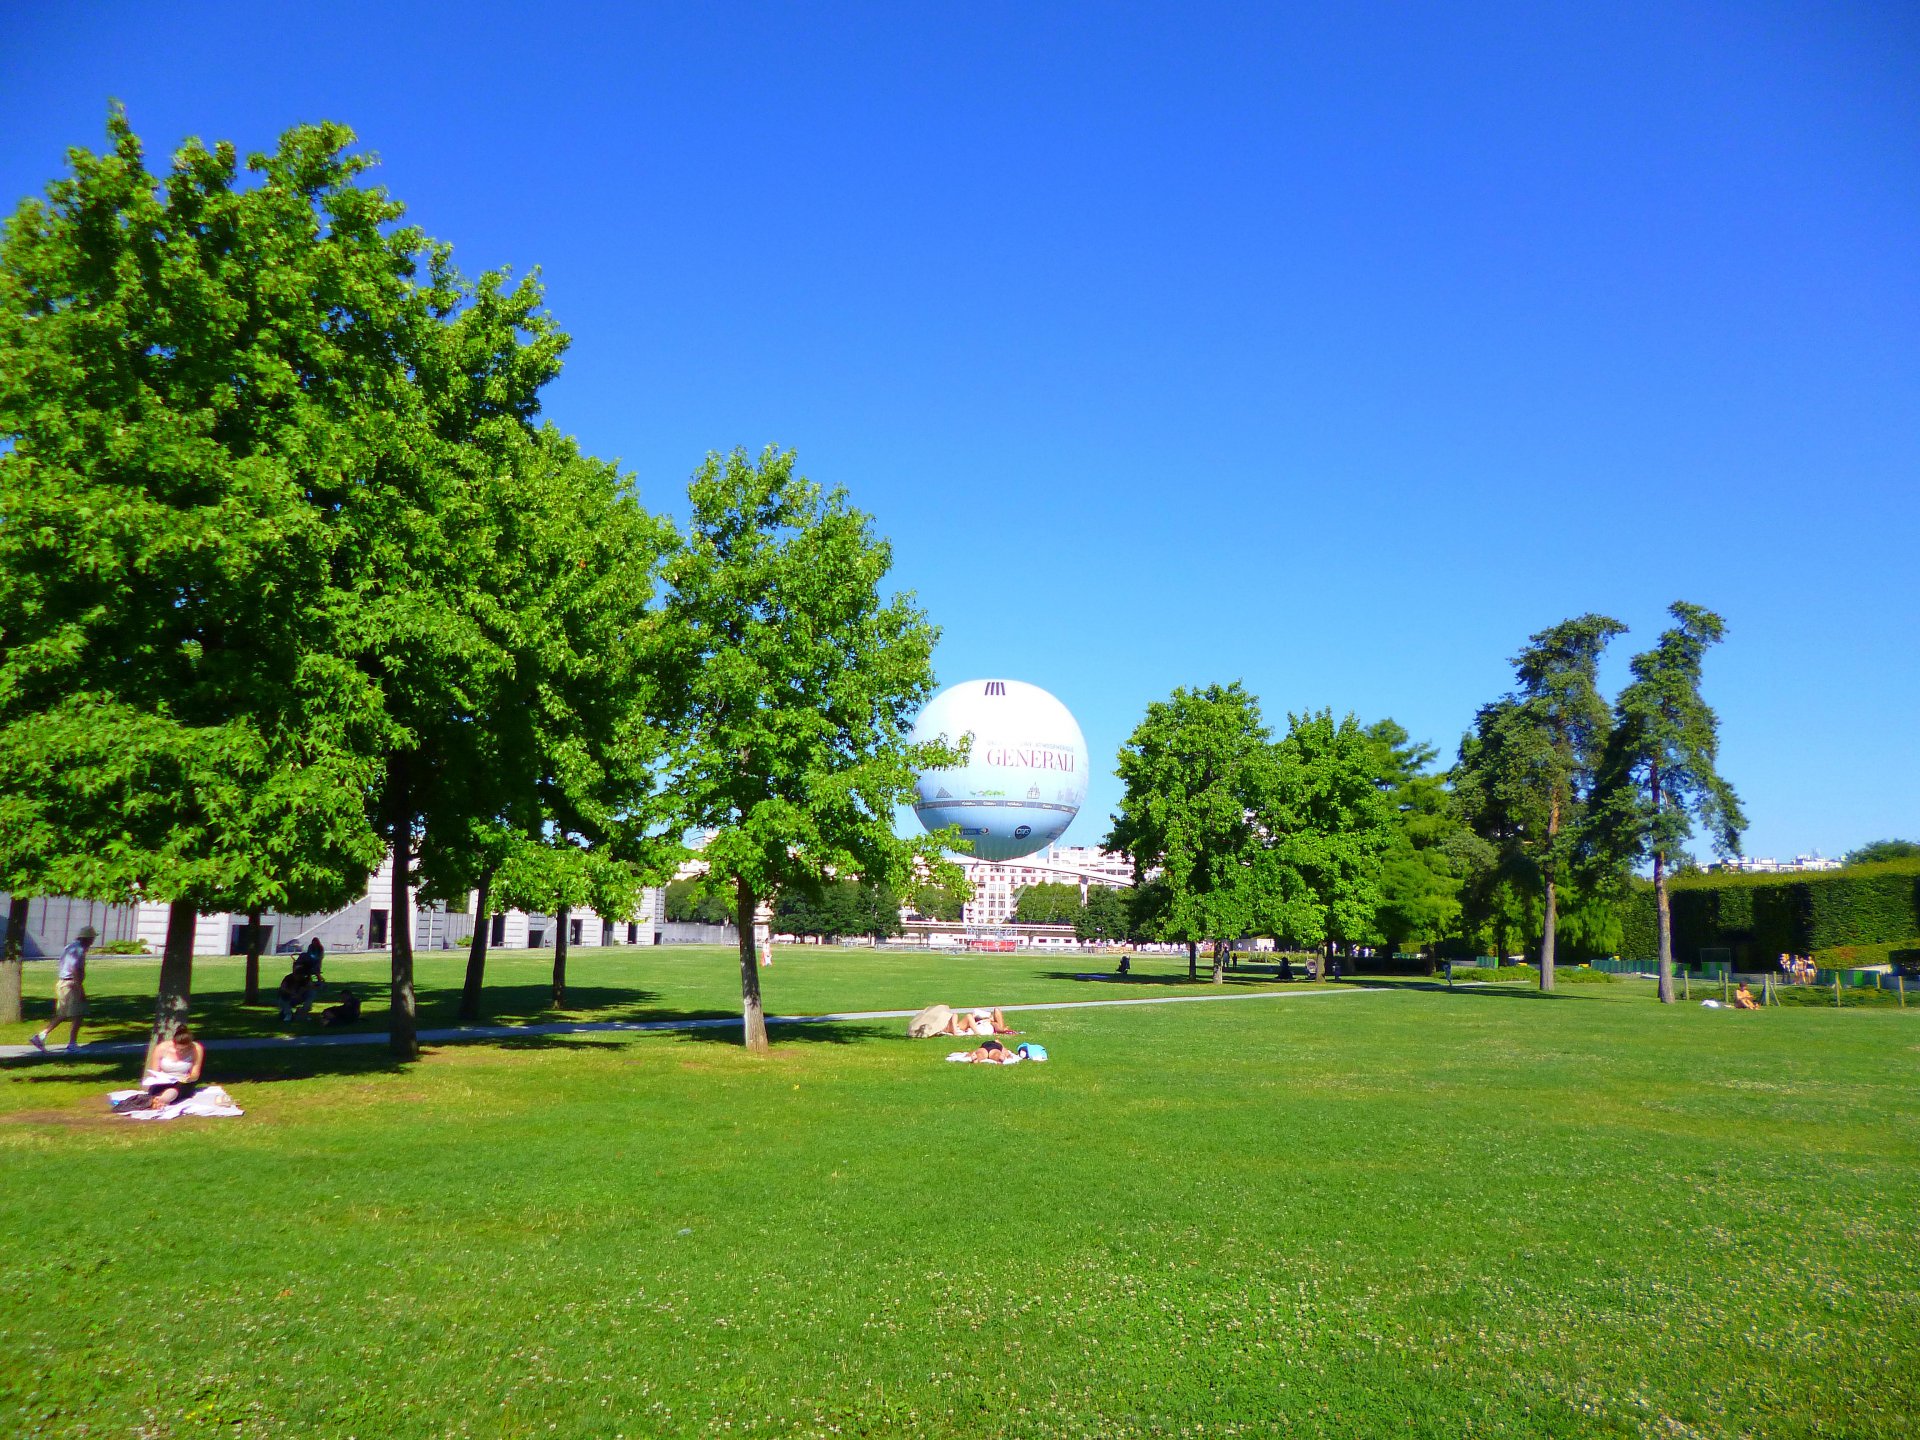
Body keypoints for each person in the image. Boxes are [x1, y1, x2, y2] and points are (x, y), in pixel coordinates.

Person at [30, 925, 95, 1054]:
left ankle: (41, 1035)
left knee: (63, 1013)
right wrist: (80, 988)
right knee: (78, 1014)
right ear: (88, 939)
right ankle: (72, 1044)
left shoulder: (70, 947)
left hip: (63, 983)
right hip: (71, 984)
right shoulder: (78, 950)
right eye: (92, 938)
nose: (93, 941)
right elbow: (75, 969)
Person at [142, 1026, 206, 1107]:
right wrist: (159, 1078)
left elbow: (195, 1074)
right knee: (158, 1089)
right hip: (163, 1080)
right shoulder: (162, 1048)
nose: (180, 1052)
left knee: (176, 1088)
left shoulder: (196, 1049)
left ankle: (162, 1100)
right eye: (178, 1049)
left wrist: (189, 1078)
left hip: (182, 1081)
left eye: (184, 1049)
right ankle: (160, 1100)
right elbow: (155, 1072)